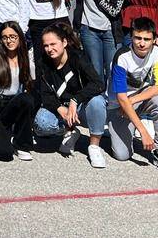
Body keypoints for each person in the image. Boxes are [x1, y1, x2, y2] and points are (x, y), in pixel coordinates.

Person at [107, 17, 158, 174]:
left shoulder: (156, 52)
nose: (142, 43)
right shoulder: (121, 57)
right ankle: (114, 128)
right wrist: (143, 132)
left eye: (147, 39)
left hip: (137, 99)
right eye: (137, 38)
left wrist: (134, 99)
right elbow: (122, 99)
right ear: (131, 37)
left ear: (154, 40)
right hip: (118, 107)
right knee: (122, 155)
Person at [33, 23, 108, 168]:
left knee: (98, 102)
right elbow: (44, 93)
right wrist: (59, 108)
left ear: (64, 42)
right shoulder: (43, 63)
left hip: (81, 108)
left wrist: (75, 100)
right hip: (63, 109)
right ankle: (70, 131)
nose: (49, 49)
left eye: (53, 44)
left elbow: (98, 84)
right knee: (41, 123)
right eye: (46, 45)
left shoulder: (78, 58)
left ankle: (94, 146)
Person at [0, 21, 37, 161]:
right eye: (5, 37)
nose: (9, 40)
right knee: (5, 154)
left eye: (13, 36)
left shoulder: (26, 60)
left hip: (9, 105)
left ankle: (22, 144)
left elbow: (31, 87)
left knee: (27, 98)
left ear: (19, 37)